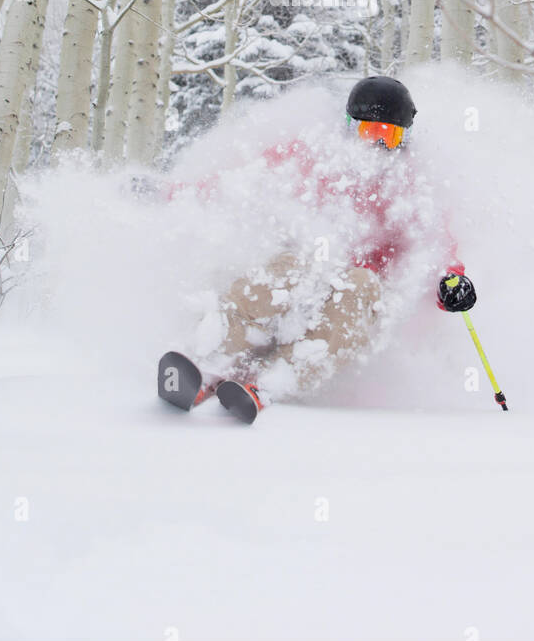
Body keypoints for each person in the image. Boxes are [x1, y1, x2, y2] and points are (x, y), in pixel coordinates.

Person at [157, 76, 476, 424]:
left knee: (359, 284)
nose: (379, 145)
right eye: (371, 133)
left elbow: (434, 244)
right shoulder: (315, 154)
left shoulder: (411, 187)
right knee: (295, 264)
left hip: (355, 304)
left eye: (391, 136)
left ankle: (272, 380)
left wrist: (452, 282)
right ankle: (209, 359)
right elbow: (245, 178)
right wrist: (174, 193)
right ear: (349, 128)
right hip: (302, 283)